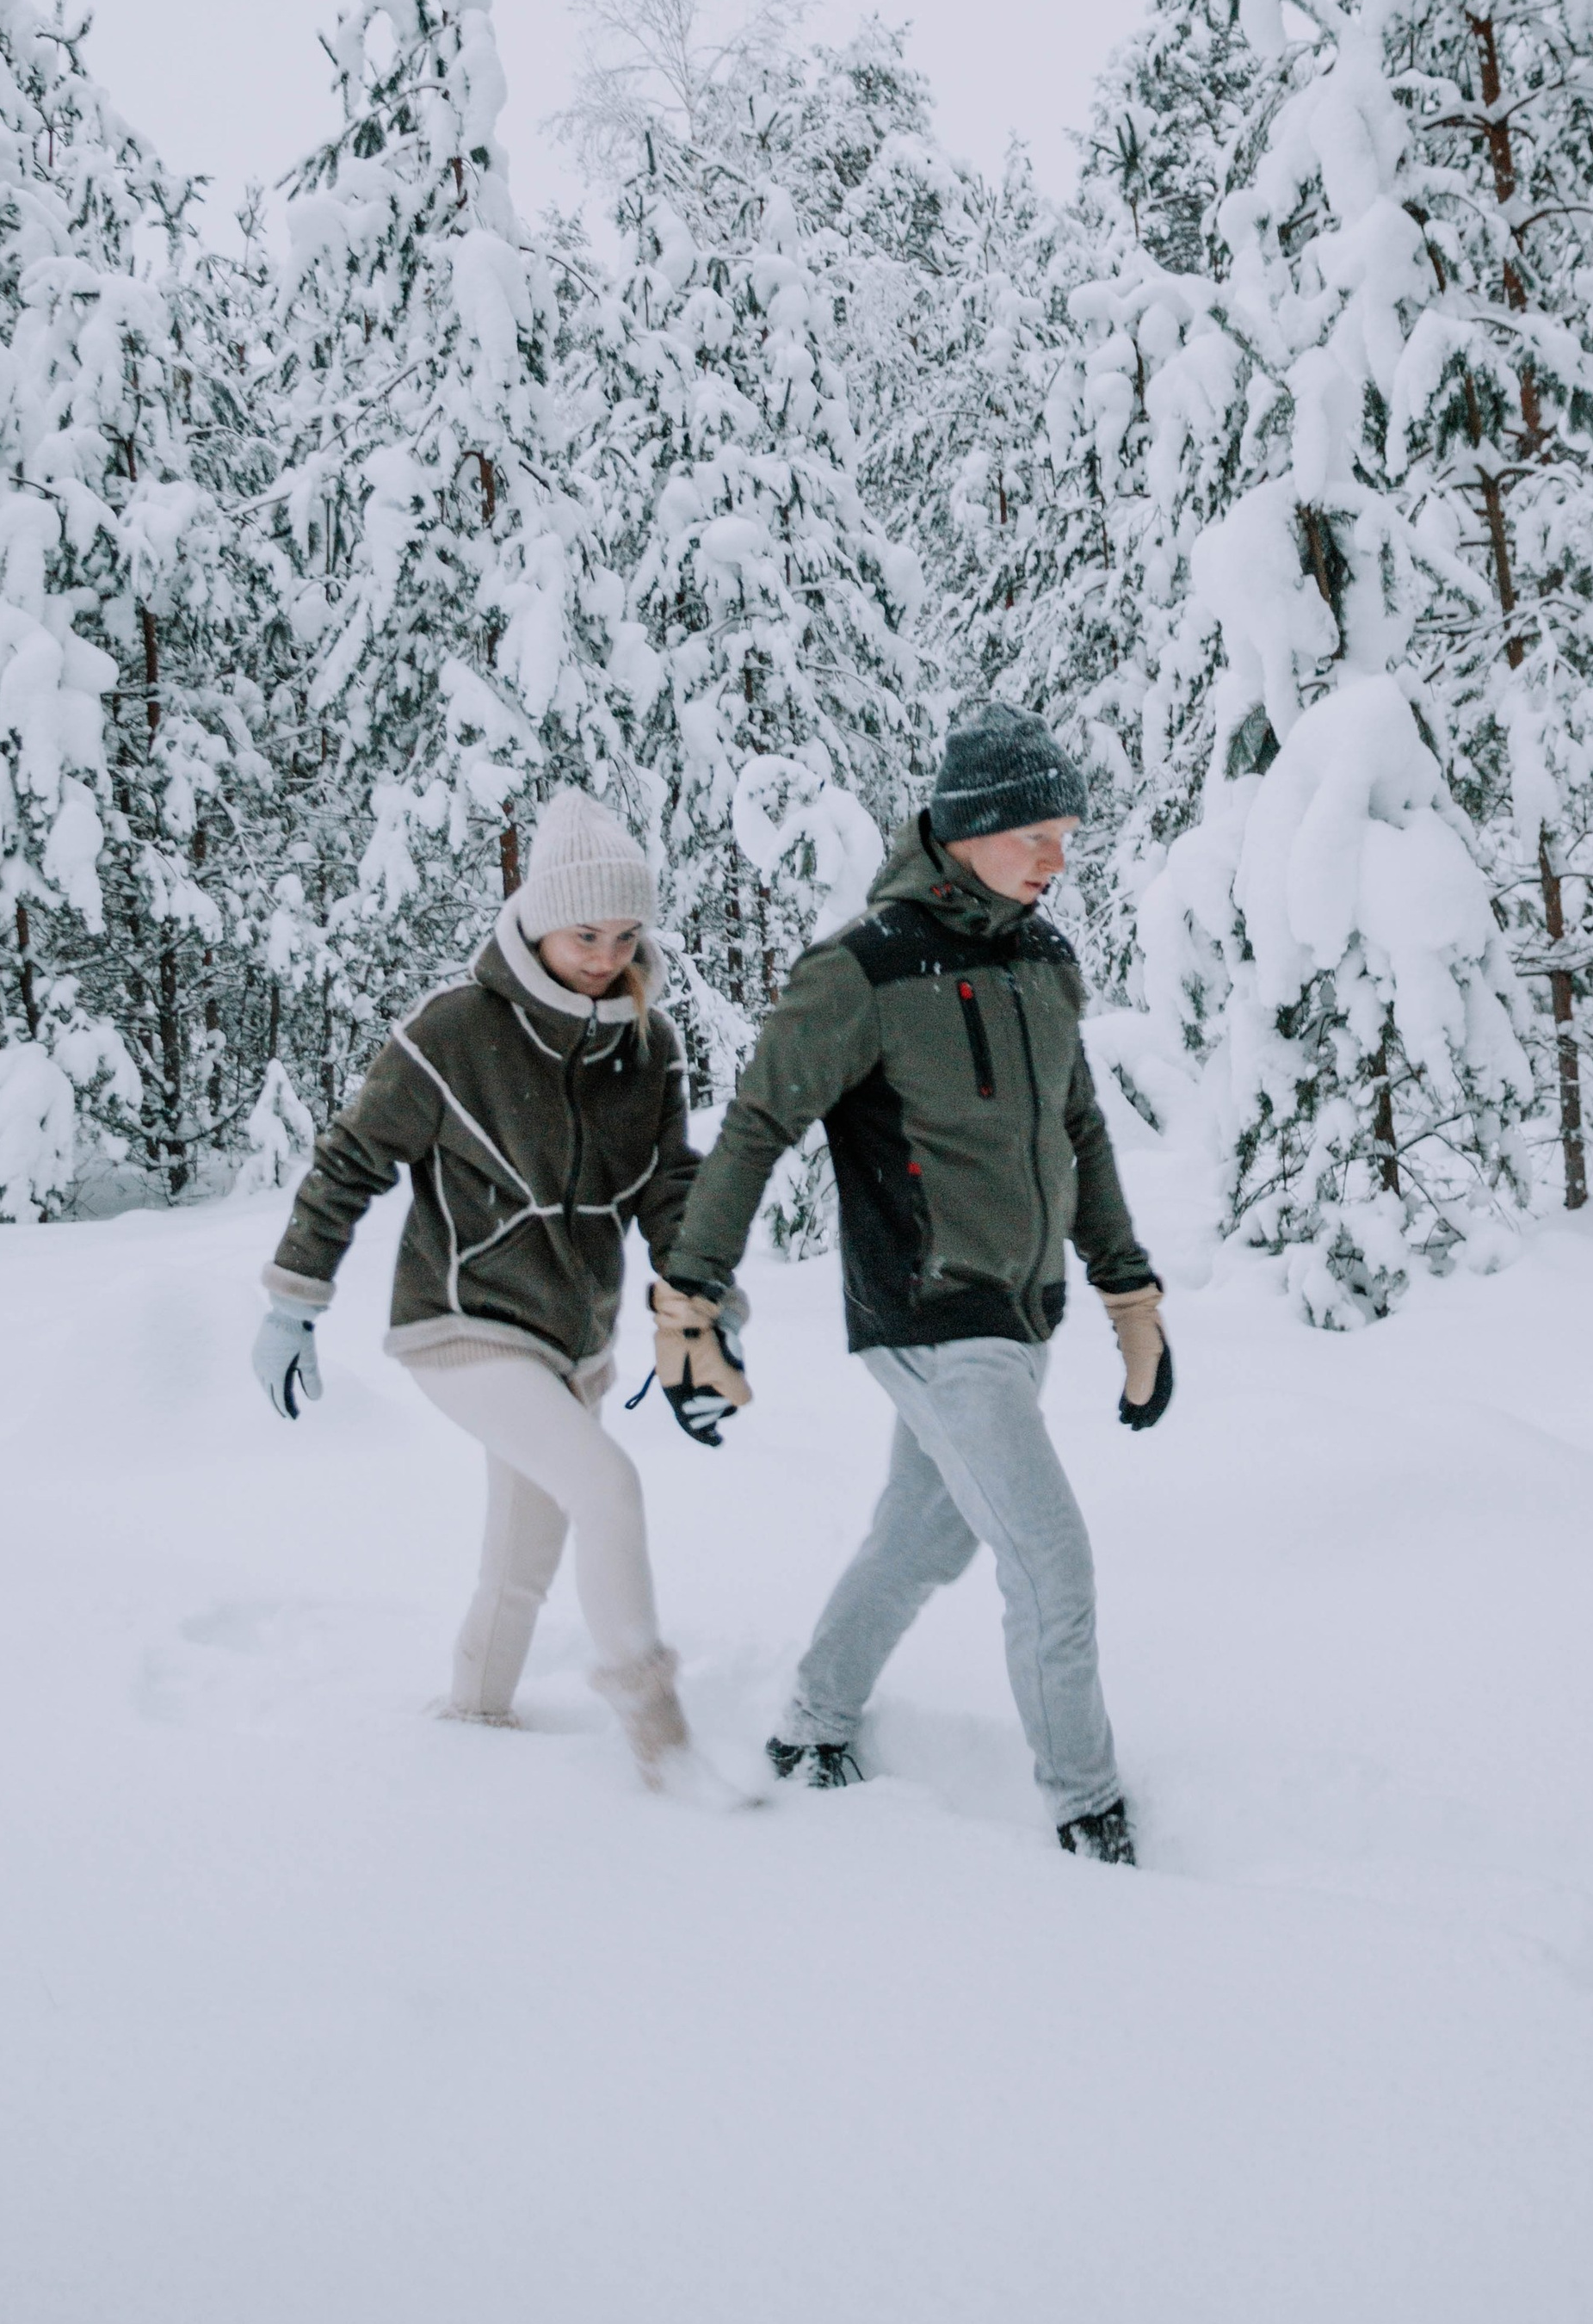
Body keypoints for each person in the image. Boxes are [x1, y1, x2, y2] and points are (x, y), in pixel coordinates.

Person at [661, 702, 1173, 1864]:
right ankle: (1089, 1816)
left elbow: (1079, 1130)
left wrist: (1129, 1298)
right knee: (1051, 1562)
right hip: (932, 1317)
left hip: (1017, 1312)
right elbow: (754, 1127)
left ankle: (812, 1724)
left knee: (921, 1540)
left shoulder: (1041, 959)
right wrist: (693, 1302)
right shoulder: (863, 970)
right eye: (1037, 832)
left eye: (1068, 833)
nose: (1058, 857)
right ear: (969, 829)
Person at [250, 789, 748, 1796]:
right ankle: (661, 1744)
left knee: (526, 1559)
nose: (606, 952)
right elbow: (352, 1160)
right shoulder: (454, 1033)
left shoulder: (646, 1047)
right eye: (584, 931)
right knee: (609, 1487)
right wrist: (295, 1298)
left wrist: (699, 1316)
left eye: (624, 931)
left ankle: (472, 1719)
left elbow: (668, 1187)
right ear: (533, 920)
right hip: (461, 1321)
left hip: (574, 1338)